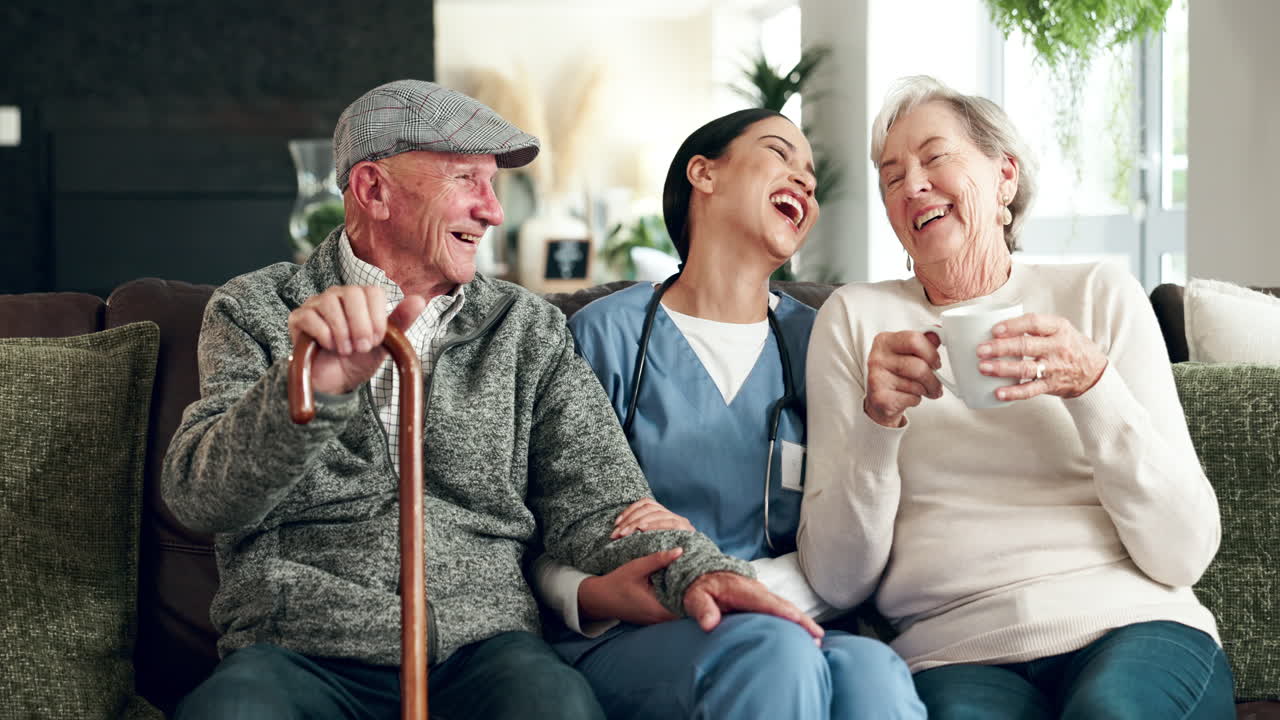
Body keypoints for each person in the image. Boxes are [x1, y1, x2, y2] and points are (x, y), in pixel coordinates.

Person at [161, 80, 820, 720]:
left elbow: (599, 498)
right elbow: (199, 495)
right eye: (464, 180)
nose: (493, 210)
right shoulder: (259, 309)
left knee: (556, 707)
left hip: (482, 651)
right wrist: (312, 387)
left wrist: (701, 573)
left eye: (493, 183)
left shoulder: (525, 328)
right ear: (373, 190)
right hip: (296, 652)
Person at [799, 75, 1234, 719]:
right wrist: (877, 421)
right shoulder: (856, 320)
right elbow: (838, 580)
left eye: (936, 156)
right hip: (953, 650)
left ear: (1005, 177)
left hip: (1133, 624)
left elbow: (1186, 549)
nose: (912, 183)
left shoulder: (1098, 294)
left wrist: (1092, 386)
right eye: (891, 177)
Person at [533, 108, 926, 720]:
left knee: (876, 673)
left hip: (793, 613)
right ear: (704, 174)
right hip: (635, 632)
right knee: (773, 653)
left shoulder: (818, 341)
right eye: (779, 154)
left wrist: (744, 588)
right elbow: (546, 519)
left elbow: (848, 530)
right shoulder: (603, 336)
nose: (803, 181)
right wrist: (589, 596)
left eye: (813, 178)